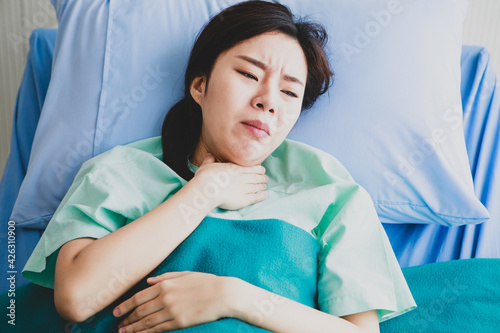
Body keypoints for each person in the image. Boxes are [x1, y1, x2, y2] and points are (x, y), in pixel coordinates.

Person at [22, 1, 416, 332]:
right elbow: (75, 297)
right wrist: (200, 195)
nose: (268, 100)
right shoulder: (120, 171)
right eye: (248, 74)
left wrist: (232, 297)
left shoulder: (330, 190)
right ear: (200, 85)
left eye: (289, 91)